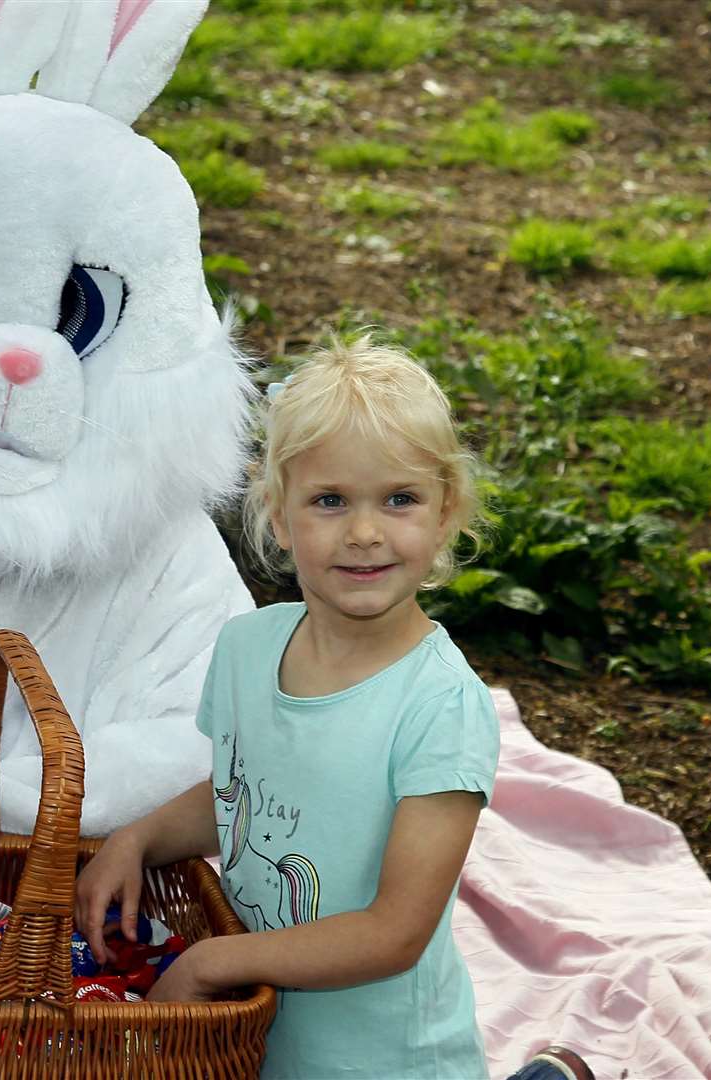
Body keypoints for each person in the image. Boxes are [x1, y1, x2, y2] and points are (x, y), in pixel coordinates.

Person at [76, 335, 500, 1077]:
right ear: (277, 516)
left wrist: (212, 962)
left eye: (399, 499)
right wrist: (135, 839)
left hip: (385, 1063)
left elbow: (395, 932)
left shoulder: (440, 706)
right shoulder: (246, 649)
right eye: (329, 500)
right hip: (253, 1044)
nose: (364, 532)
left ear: (445, 514)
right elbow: (247, 796)